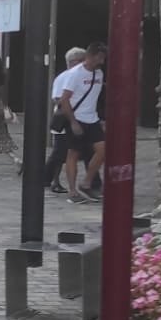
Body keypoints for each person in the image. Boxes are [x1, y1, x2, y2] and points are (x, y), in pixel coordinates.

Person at [57, 42, 108, 203]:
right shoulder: (74, 74)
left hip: (92, 118)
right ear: (90, 56)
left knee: (102, 150)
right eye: (99, 58)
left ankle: (86, 182)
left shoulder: (99, 74)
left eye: (103, 59)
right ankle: (72, 191)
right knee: (73, 153)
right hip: (76, 118)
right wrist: (73, 122)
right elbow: (64, 100)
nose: (101, 62)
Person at [44, 48, 86, 194]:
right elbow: (57, 98)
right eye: (82, 61)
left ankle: (53, 179)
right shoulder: (64, 77)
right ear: (74, 62)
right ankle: (47, 177)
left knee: (68, 152)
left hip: (78, 117)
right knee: (59, 152)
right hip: (64, 119)